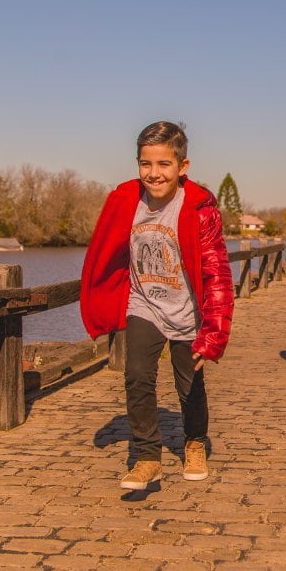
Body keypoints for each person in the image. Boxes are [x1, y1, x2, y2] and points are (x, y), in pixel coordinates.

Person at [80, 121, 234, 491]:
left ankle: (195, 442)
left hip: (187, 311)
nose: (154, 173)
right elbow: (103, 253)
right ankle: (147, 456)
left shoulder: (199, 209)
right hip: (143, 304)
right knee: (136, 375)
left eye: (164, 164)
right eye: (146, 164)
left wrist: (213, 334)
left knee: (189, 385)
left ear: (183, 167)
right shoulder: (125, 202)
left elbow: (217, 274)